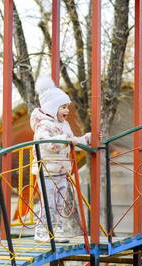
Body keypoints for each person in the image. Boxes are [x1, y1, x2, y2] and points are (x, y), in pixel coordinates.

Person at [30, 76, 91, 243]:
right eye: (63, 107)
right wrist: (65, 140)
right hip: (47, 171)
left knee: (60, 203)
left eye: (67, 107)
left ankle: (56, 231)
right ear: (52, 107)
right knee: (49, 203)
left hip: (62, 171)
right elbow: (45, 144)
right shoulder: (43, 125)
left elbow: (73, 143)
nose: (67, 111)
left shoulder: (64, 125)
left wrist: (86, 139)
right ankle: (42, 232)